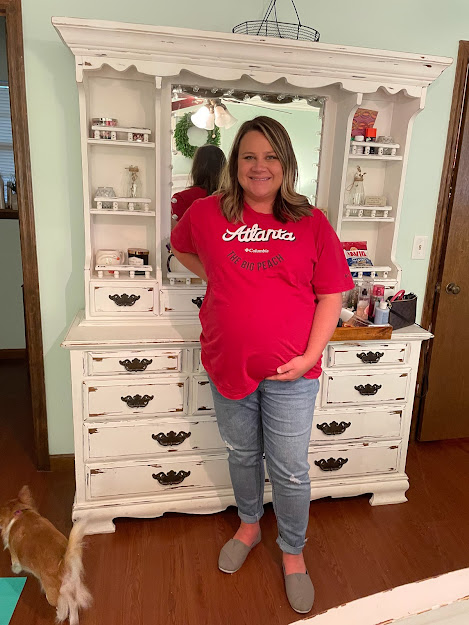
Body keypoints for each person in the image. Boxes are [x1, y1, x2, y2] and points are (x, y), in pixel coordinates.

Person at [170, 116, 354, 614]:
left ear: (286, 164)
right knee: (243, 454)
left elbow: (332, 294)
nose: (260, 166)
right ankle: (250, 525)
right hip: (228, 362)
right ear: (235, 163)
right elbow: (179, 246)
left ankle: (292, 552)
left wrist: (310, 356)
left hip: (292, 372)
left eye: (271, 156)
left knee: (290, 470)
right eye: (249, 156)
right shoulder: (207, 213)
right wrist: (216, 275)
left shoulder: (310, 221)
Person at [171, 143, 226, 225]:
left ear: (195, 168)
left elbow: (174, 231)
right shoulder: (231, 199)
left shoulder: (181, 199)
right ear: (224, 168)